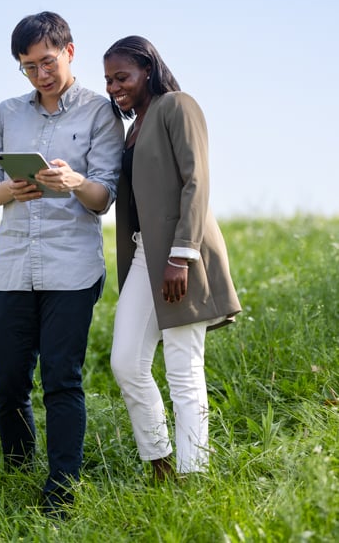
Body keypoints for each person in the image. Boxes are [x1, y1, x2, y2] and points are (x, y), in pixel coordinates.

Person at [0, 11, 124, 515]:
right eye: (28, 67)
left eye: (47, 61)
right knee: (9, 379)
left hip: (71, 268)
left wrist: (75, 182)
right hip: (12, 267)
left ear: (70, 52)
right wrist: (9, 190)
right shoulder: (7, 114)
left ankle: (62, 488)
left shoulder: (100, 114)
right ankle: (18, 470)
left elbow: (104, 196)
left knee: (62, 376)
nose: (40, 75)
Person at [103, 36, 241, 480]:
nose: (114, 87)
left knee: (183, 369)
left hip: (184, 254)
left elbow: (196, 181)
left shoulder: (177, 105)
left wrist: (181, 256)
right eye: (108, 80)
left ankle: (194, 475)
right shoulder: (133, 127)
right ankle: (160, 462)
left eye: (121, 77)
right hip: (146, 254)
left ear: (147, 68)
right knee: (126, 361)